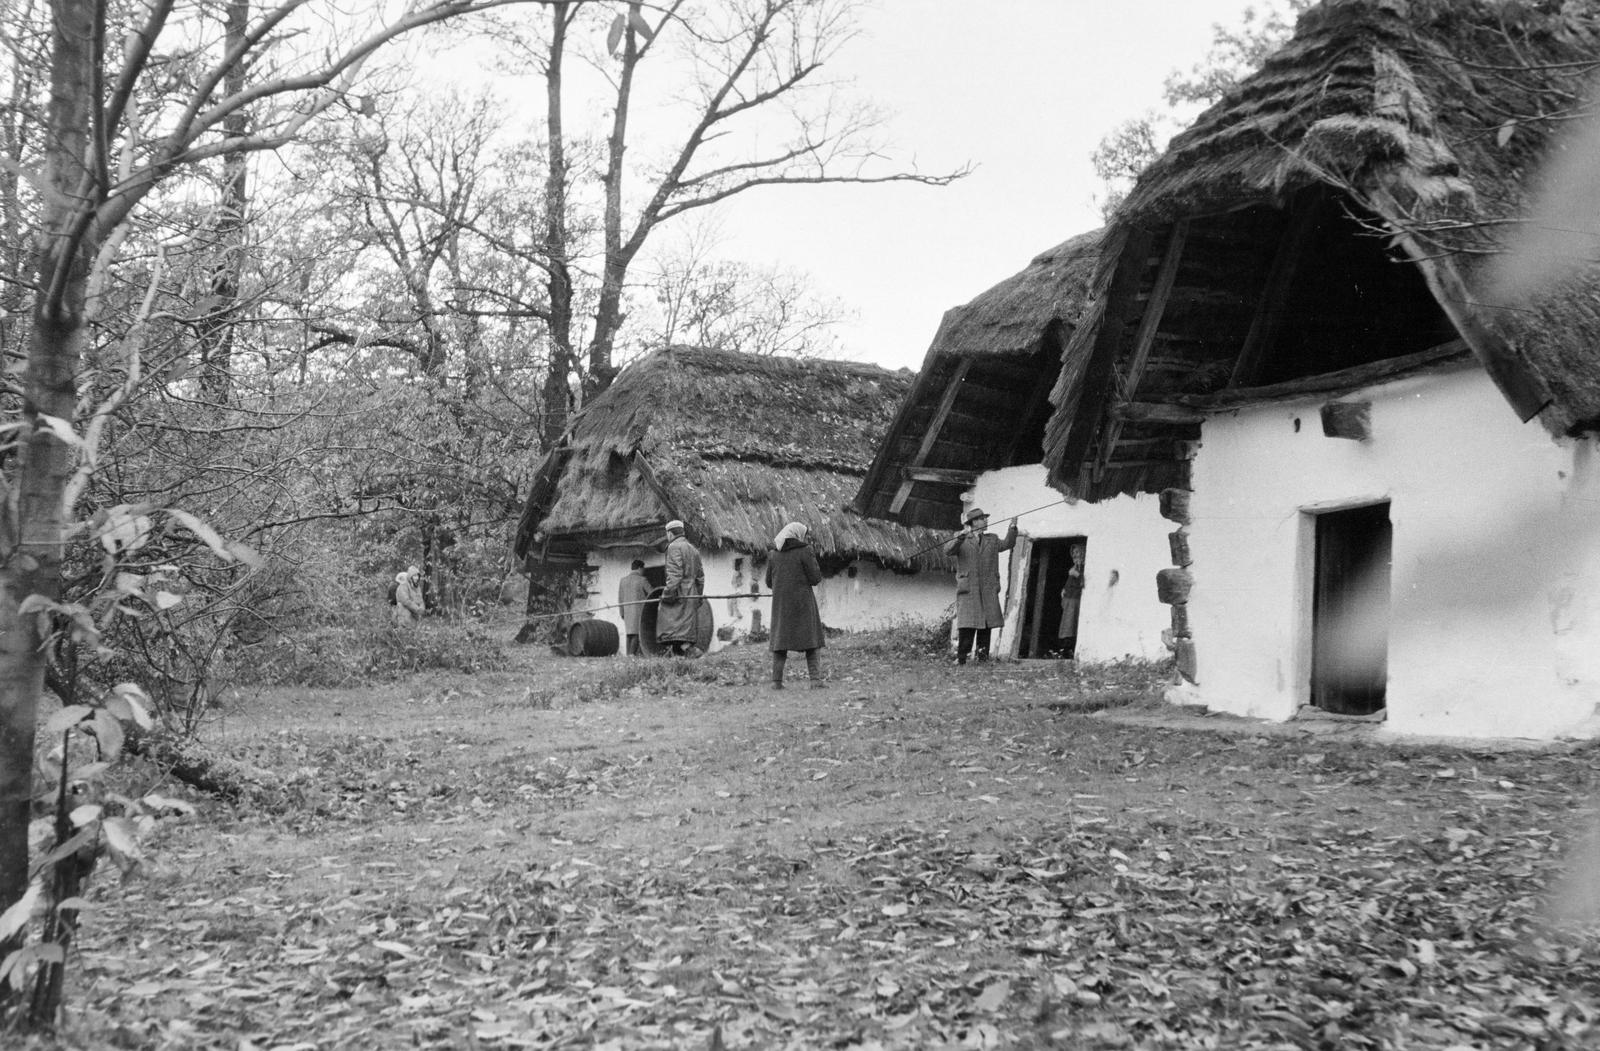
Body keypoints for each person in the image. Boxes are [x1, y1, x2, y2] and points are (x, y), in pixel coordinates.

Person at [943, 507, 1018, 664]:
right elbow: (948, 550)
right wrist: (960, 538)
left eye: (985, 518)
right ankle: (961, 658)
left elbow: (1008, 544)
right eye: (982, 518)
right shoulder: (962, 538)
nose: (986, 521)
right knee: (967, 625)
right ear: (974, 522)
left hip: (987, 589)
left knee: (985, 623)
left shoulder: (992, 539)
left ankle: (982, 658)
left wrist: (1013, 528)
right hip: (969, 588)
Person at [765, 522, 825, 689]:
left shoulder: (773, 555)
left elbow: (769, 582)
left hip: (782, 604)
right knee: (811, 641)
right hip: (802, 603)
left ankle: (776, 682)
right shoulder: (805, 551)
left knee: (780, 642)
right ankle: (815, 680)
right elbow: (815, 578)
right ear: (797, 535)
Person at [656, 520, 705, 657]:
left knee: (666, 620)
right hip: (692, 593)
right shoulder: (693, 549)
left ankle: (678, 650)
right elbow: (700, 577)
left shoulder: (673, 547)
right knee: (685, 629)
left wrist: (667, 595)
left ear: (670, 533)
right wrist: (698, 597)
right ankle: (683, 651)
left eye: (667, 534)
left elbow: (675, 576)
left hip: (680, 593)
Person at [617, 559, 651, 656]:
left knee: (629, 634)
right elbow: (652, 593)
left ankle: (628, 655)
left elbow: (620, 598)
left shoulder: (623, 581)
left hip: (627, 612)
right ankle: (631, 655)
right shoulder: (642, 580)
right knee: (636, 633)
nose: (643, 571)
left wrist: (622, 613)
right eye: (643, 569)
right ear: (640, 568)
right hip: (639, 612)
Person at [1057, 543, 1085, 659]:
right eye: (1073, 553)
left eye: (1077, 552)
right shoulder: (1074, 567)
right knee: (1065, 625)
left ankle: (1068, 652)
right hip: (1068, 599)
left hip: (1074, 600)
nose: (1074, 554)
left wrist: (1077, 575)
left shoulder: (1083, 567)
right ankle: (1063, 651)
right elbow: (1070, 582)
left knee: (1070, 625)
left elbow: (1084, 582)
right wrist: (1064, 589)